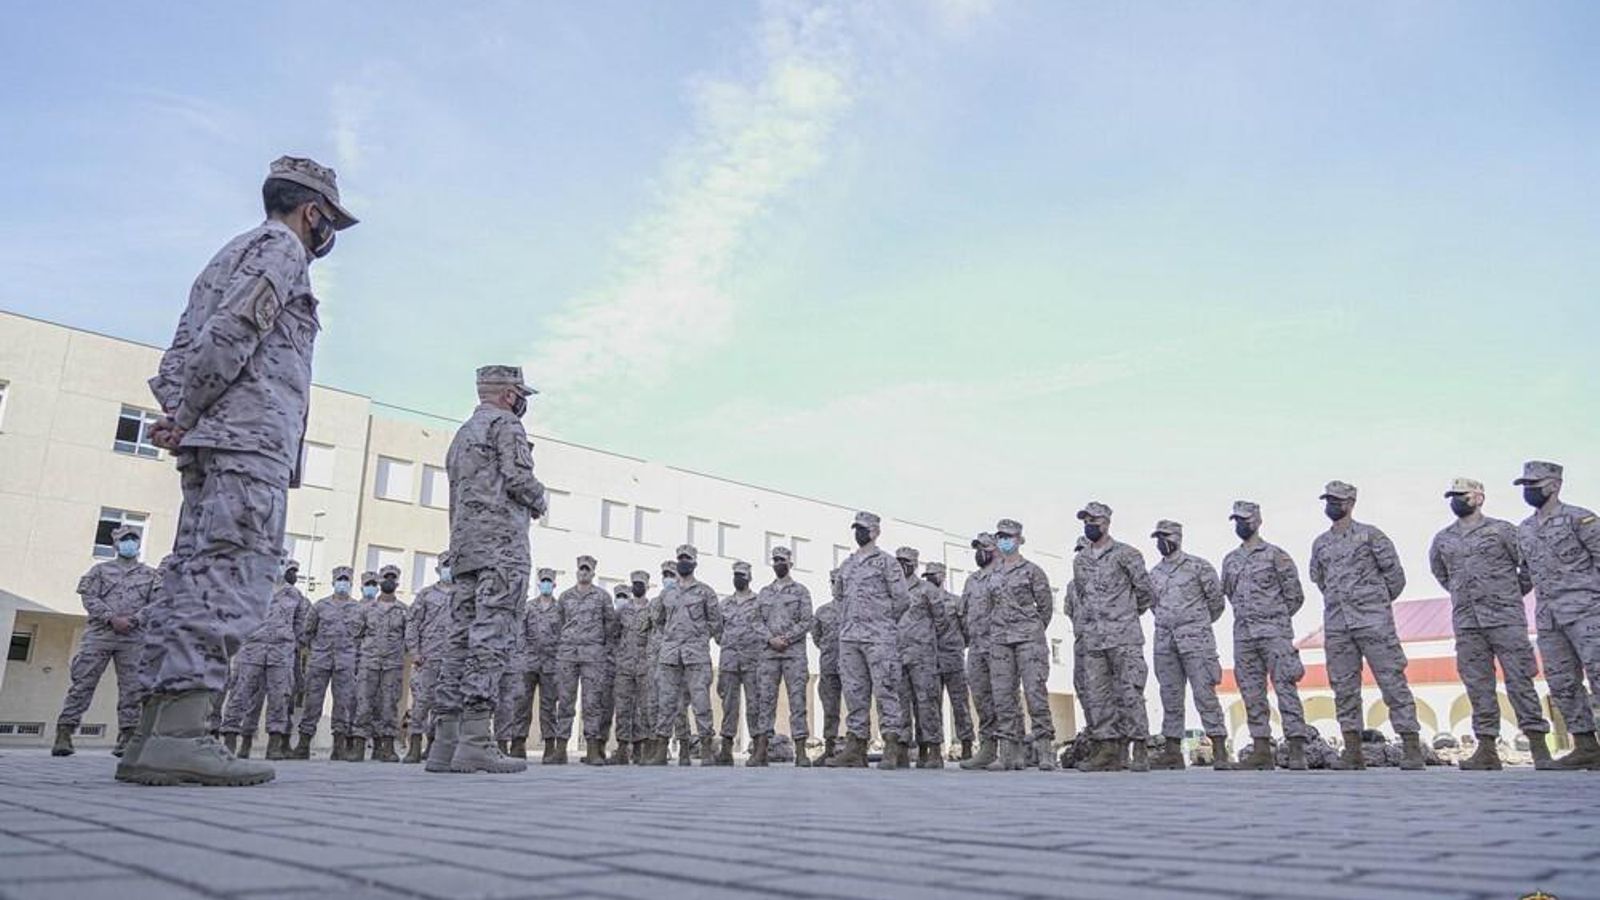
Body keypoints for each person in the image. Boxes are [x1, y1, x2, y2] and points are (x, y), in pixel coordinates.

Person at [120, 155, 355, 786]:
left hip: (212, 441)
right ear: (314, 213)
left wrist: (179, 414)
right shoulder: (281, 252)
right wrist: (192, 410)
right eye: (328, 221)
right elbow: (230, 336)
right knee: (229, 578)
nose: (326, 234)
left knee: (191, 576)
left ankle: (153, 735)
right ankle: (182, 736)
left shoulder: (226, 256)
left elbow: (179, 350)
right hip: (247, 444)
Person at [427, 365, 547, 774]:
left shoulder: (461, 435)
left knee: (458, 640)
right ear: (509, 394)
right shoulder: (506, 425)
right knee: (491, 638)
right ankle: (477, 741)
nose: (521, 401)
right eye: (519, 393)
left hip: (464, 550)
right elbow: (518, 478)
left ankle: (444, 745)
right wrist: (541, 499)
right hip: (501, 549)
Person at [1428, 477, 1551, 770]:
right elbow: (1442, 574)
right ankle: (1486, 748)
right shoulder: (1443, 538)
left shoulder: (1503, 531)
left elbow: (1528, 567)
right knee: (1477, 684)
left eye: (1462, 495)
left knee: (1520, 679)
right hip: (1467, 622)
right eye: (1453, 496)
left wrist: (1506, 593)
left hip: (1505, 618)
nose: (1456, 501)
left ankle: (1539, 746)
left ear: (1479, 497)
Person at [1308, 480, 1423, 771]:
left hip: (1373, 622)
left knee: (1392, 682)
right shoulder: (1321, 543)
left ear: (1351, 502)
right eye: (1328, 500)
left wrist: (1374, 603)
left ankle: (1410, 746)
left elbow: (1395, 577)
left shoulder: (1372, 536)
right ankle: (1352, 749)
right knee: (1344, 687)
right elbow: (1319, 579)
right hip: (1337, 624)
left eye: (1337, 500)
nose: (1331, 505)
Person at [1514, 460, 1600, 769]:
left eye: (1534, 485)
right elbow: (1525, 575)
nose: (1528, 491)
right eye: (1525, 486)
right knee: (1562, 682)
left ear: (1555, 484)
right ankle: (1586, 745)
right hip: (1549, 617)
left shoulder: (1581, 519)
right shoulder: (1524, 529)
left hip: (1588, 611)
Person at [53, 526, 158, 758]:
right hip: (100, 635)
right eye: (124, 540)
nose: (129, 543)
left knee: (133, 689)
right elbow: (88, 597)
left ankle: (127, 738)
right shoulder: (100, 571)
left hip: (133, 637)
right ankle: (64, 734)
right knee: (82, 684)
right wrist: (111, 618)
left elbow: (158, 603)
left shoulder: (151, 574)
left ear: (138, 545)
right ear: (115, 545)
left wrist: (136, 619)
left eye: (133, 539)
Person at [1071, 502, 1155, 773]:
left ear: (1107, 522)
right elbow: (1082, 596)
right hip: (1093, 638)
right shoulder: (1081, 559)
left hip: (1124, 636)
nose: (1090, 524)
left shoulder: (1127, 554)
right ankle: (1108, 749)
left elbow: (1145, 592)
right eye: (1086, 520)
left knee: (1130, 693)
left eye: (1094, 519)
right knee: (1098, 695)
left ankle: (1139, 747)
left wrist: (1125, 615)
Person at [826, 512, 911, 770]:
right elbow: (839, 597)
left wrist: (882, 622)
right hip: (850, 637)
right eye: (856, 529)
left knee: (885, 690)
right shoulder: (848, 564)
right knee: (854, 693)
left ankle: (892, 745)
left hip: (879, 637)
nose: (859, 533)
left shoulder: (886, 563)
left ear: (875, 532)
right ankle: (856, 747)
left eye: (863, 529)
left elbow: (902, 599)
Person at [1146, 521, 1228, 771]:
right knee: (1169, 694)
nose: (1162, 542)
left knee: (1204, 692)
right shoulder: (1154, 574)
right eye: (1158, 537)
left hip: (1196, 640)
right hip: (1165, 641)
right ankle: (1172, 750)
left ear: (1178, 537)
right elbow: (1153, 605)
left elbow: (1216, 603)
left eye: (1166, 536)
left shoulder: (1198, 567)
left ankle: (1219, 747)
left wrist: (1194, 624)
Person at [219, 558, 309, 760]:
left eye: (282, 562)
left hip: (281, 652)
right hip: (252, 649)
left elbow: (301, 625)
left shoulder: (294, 595)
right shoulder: (250, 587)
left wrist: (292, 643)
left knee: (280, 697)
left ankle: (274, 745)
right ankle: (231, 741)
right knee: (240, 694)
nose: (278, 565)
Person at [986, 519, 1055, 772]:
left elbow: (1045, 607)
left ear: (1018, 539)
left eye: (1008, 536)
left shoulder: (1032, 571)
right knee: (1003, 696)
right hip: (1001, 640)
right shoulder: (992, 573)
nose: (1004, 540)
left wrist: (1032, 629)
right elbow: (989, 607)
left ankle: (1045, 750)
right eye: (1000, 536)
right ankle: (1009, 754)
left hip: (1028, 638)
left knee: (1035, 693)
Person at [645, 545, 723, 765]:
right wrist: (671, 638)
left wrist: (698, 637)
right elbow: (658, 619)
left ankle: (706, 748)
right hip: (670, 656)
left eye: (687, 558)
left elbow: (716, 622)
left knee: (701, 702)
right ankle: (661, 750)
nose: (683, 561)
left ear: (695, 563)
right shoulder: (666, 593)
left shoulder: (705, 592)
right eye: (680, 558)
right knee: (666, 703)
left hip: (696, 655)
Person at [554, 555, 619, 766]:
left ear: (593, 573)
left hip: (593, 656)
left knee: (592, 702)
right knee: (565, 701)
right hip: (568, 655)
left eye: (587, 570)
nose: (583, 573)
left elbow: (610, 626)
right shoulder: (565, 597)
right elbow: (558, 624)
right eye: (581, 569)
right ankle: (560, 748)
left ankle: (592, 749)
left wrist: (603, 650)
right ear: (576, 572)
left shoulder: (602, 597)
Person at [755, 546, 815, 767]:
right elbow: (756, 621)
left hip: (794, 654)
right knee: (765, 702)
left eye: (783, 560)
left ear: (790, 563)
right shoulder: (764, 593)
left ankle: (800, 751)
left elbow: (807, 620)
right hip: (769, 655)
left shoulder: (801, 591)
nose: (779, 563)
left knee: (798, 701)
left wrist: (786, 639)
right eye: (775, 560)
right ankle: (761, 750)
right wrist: (771, 639)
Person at [296, 566, 362, 760]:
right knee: (312, 702)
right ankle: (303, 743)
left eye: (346, 580)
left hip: (345, 662)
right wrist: (317, 650)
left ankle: (339, 746)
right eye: (340, 580)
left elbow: (362, 636)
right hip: (320, 661)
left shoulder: (358, 609)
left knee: (343, 703)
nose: (343, 583)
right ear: (333, 583)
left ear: (351, 584)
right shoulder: (319, 606)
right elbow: (307, 632)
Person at [894, 547, 948, 769]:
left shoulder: (927, 589)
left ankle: (932, 750)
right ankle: (902, 749)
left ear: (914, 564)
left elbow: (941, 620)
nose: (901, 565)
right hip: (897, 654)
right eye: (898, 561)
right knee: (900, 704)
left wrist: (925, 639)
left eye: (905, 561)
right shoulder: (891, 589)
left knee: (926, 702)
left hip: (922, 655)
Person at [402, 553, 454, 764]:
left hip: (453, 659)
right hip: (428, 657)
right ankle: (414, 745)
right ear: (438, 569)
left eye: (452, 566)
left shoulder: (464, 594)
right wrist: (414, 651)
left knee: (447, 705)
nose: (449, 570)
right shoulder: (426, 595)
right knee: (422, 702)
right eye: (445, 566)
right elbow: (413, 623)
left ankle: (435, 746)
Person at [353, 565, 408, 762]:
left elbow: (409, 638)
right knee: (364, 703)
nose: (389, 581)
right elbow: (355, 636)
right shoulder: (366, 609)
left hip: (392, 664)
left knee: (389, 705)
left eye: (393, 578)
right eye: (386, 577)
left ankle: (386, 748)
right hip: (369, 662)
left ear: (397, 582)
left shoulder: (404, 610)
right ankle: (358, 745)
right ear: (379, 581)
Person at [958, 533, 1001, 770]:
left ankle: (1010, 749)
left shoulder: (1005, 574)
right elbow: (963, 613)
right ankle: (987, 747)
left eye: (984, 547)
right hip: (976, 647)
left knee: (1004, 699)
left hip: (1000, 644)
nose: (979, 552)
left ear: (995, 548)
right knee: (981, 698)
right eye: (977, 548)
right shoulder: (972, 580)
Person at [924, 562, 974, 761]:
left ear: (942, 576)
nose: (929, 579)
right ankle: (935, 748)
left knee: (960, 704)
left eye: (933, 575)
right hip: (930, 659)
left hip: (952, 658)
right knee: (931, 705)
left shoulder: (955, 602)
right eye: (927, 576)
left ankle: (967, 744)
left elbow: (967, 630)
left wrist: (957, 646)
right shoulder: (921, 600)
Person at [716, 561, 763, 765]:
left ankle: (759, 748)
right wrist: (728, 643)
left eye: (742, 575)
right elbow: (717, 631)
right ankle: (726, 749)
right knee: (729, 705)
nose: (738, 579)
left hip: (753, 661)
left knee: (755, 705)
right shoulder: (724, 604)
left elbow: (765, 627)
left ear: (749, 578)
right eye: (736, 575)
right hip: (729, 662)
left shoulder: (759, 602)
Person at [612, 574, 654, 764]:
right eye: (635, 584)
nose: (638, 587)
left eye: (641, 584)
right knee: (622, 707)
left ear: (647, 587)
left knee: (644, 708)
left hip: (645, 666)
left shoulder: (652, 609)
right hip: (624, 666)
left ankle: (640, 749)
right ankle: (621, 748)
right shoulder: (623, 610)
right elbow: (614, 634)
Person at [810, 579, 842, 764]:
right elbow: (817, 637)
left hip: (853, 668)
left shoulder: (857, 609)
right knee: (830, 708)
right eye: (833, 582)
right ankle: (830, 747)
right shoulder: (822, 611)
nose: (837, 585)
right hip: (829, 665)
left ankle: (858, 747)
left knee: (858, 708)